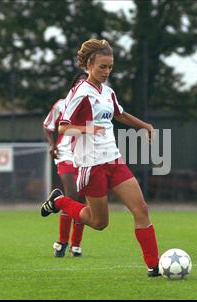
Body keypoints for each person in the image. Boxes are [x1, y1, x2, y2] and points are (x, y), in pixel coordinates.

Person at [41, 39, 161, 277]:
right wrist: (87, 129)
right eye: (102, 67)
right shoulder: (79, 93)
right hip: (90, 164)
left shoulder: (107, 92)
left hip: (113, 160)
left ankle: (154, 266)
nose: (106, 72)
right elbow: (63, 128)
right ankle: (60, 202)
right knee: (99, 223)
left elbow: (120, 114)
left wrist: (144, 126)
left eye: (110, 67)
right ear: (88, 65)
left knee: (141, 209)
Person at [42, 72, 88, 257]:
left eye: (86, 83)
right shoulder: (62, 104)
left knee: (81, 201)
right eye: (79, 82)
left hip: (85, 156)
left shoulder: (93, 106)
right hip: (65, 154)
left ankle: (75, 245)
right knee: (72, 195)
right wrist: (52, 144)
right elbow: (48, 126)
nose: (82, 86)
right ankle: (62, 242)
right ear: (73, 85)